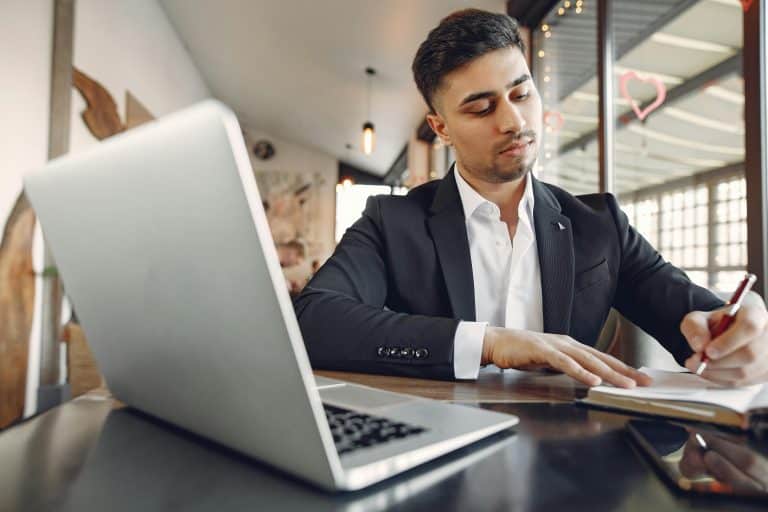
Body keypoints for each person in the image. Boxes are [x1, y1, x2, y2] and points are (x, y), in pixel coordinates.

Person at [294, 9, 768, 387]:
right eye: (481, 108)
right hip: (434, 453)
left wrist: (742, 329)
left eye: (522, 95)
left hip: (573, 458)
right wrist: (488, 343)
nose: (514, 122)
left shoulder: (599, 223)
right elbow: (314, 321)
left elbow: (698, 317)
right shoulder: (391, 220)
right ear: (440, 128)